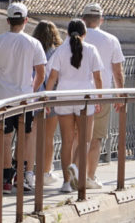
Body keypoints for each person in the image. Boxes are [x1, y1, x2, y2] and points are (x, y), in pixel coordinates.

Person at [0, 2, 46, 193]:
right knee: (25, 136)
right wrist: (32, 91)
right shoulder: (34, 44)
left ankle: (5, 178)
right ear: (26, 20)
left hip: (2, 98)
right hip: (25, 98)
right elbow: (41, 74)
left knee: (4, 137)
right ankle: (21, 175)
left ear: (8, 20)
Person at [45, 19, 105, 193]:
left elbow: (52, 78)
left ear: (67, 33)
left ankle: (66, 182)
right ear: (84, 34)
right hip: (85, 98)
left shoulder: (60, 51)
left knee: (67, 141)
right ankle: (76, 168)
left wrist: (48, 98)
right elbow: (98, 78)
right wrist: (99, 98)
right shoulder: (91, 50)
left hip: (64, 97)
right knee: (85, 139)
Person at [79, 3, 124, 191]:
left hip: (74, 94)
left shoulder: (75, 38)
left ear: (83, 20)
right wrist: (119, 94)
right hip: (101, 94)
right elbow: (117, 71)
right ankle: (89, 176)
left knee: (76, 137)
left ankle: (72, 176)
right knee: (96, 138)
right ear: (101, 20)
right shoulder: (111, 39)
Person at [32, 21, 63, 185]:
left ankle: (29, 171)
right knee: (48, 137)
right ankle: (45, 172)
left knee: (32, 136)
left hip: (32, 94)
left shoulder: (33, 48)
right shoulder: (57, 52)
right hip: (50, 95)